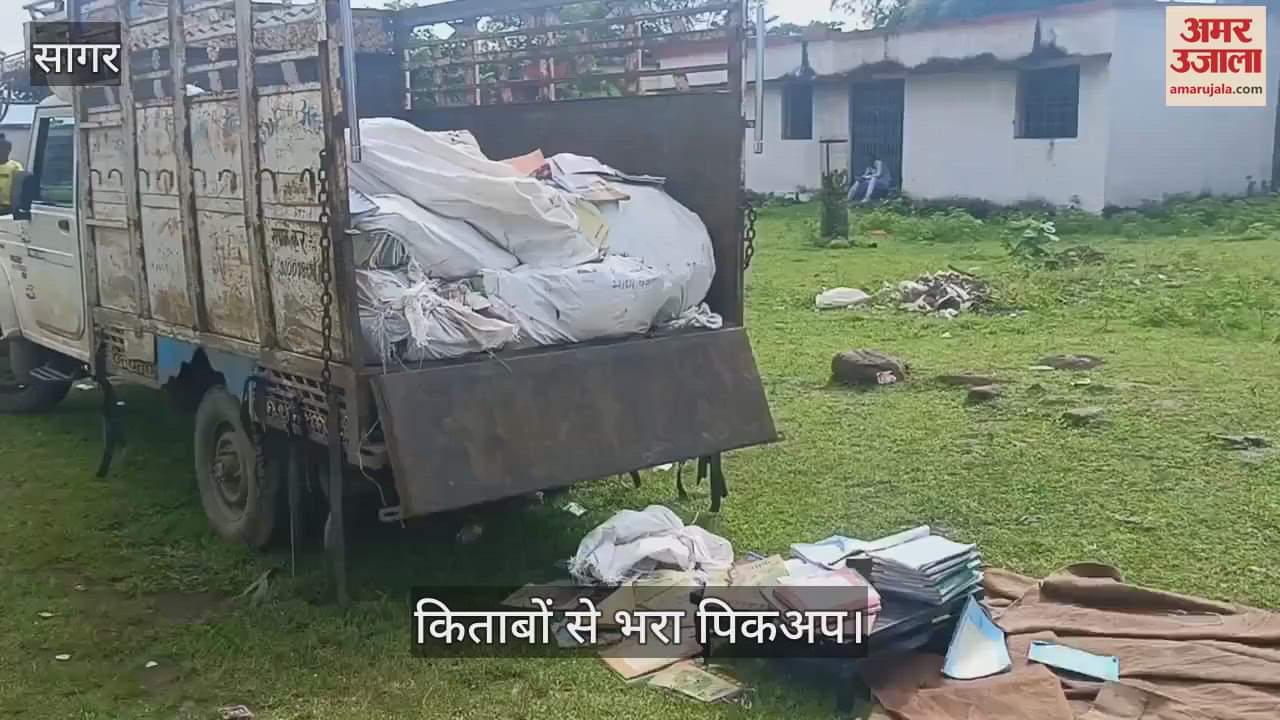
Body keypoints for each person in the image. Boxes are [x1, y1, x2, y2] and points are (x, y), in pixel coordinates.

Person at [0, 136, 23, 214]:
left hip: (8, 207)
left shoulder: (15, 166)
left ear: (9, 150)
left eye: (3, 149)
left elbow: (20, 186)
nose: (1, 151)